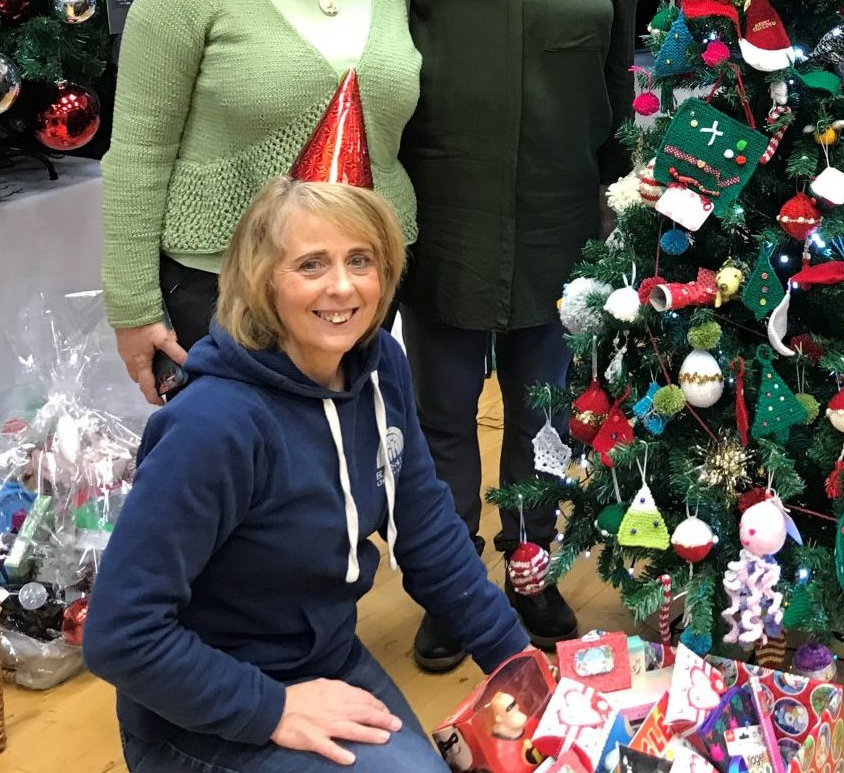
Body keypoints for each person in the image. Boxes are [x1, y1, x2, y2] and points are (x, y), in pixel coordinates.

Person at [84, 177, 529, 772]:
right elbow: (120, 634)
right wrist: (273, 709)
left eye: (360, 260)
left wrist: (518, 663)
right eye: (311, 264)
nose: (342, 286)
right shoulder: (213, 426)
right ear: (262, 280)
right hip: (200, 707)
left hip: (325, 657)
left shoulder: (378, 369)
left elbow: (426, 531)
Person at [364, 0, 637, 666]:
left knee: (546, 416)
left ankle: (531, 574)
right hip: (444, 210)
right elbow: (369, 35)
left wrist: (621, 192)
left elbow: (618, 70)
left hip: (564, 217)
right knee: (440, 415)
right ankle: (449, 587)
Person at [103, 0, 421, 406]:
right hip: (224, 285)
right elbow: (137, 152)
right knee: (243, 483)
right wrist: (132, 304)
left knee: (343, 462)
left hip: (359, 281)